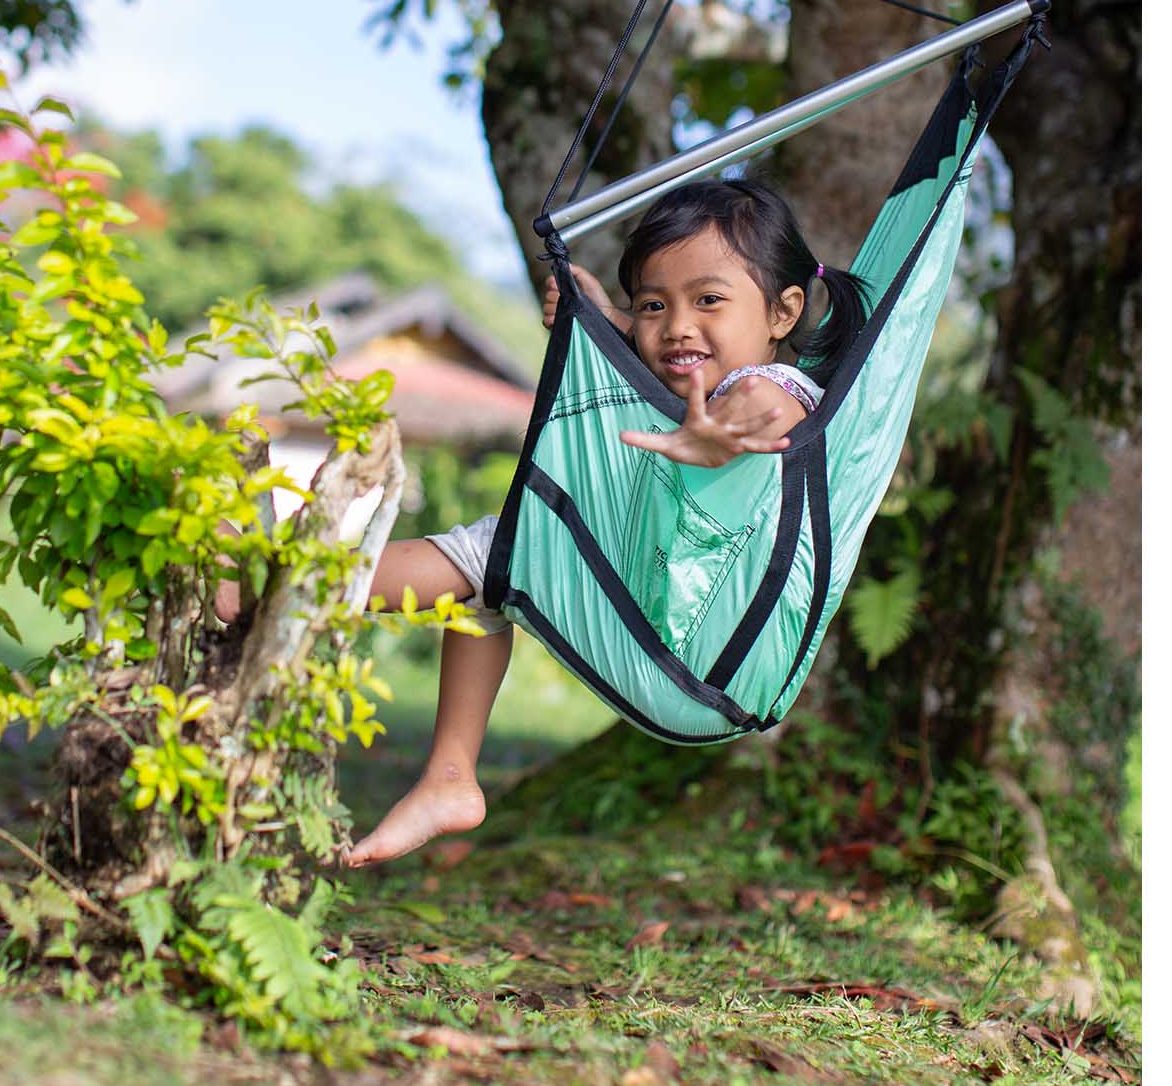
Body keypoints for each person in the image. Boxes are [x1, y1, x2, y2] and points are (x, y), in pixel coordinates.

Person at [341, 176, 871, 867]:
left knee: (499, 552)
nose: (677, 325)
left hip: (702, 661)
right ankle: (449, 777)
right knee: (493, 576)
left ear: (783, 311)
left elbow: (764, 410)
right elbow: (674, 346)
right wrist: (607, 321)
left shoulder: (774, 389)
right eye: (653, 304)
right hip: (658, 619)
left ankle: (287, 579)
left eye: (708, 300)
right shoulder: (701, 367)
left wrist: (716, 438)